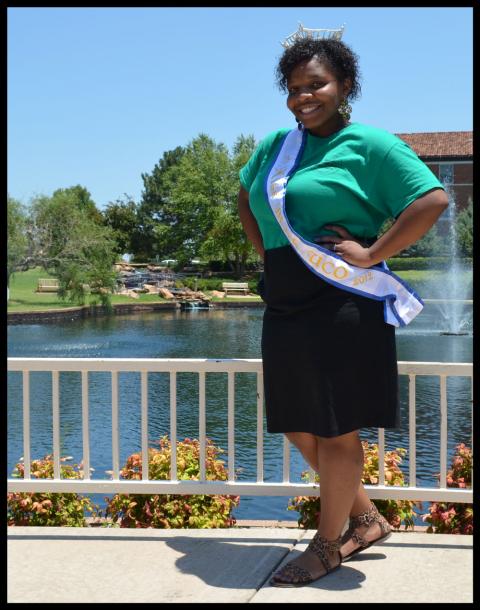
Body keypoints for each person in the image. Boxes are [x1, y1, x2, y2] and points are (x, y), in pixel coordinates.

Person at [237, 33, 448, 587]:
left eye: (317, 85)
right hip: (285, 300)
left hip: (342, 304)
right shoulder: (275, 147)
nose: (304, 97)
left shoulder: (371, 145)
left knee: (335, 429)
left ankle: (327, 545)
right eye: (294, 88)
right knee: (296, 421)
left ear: (345, 86)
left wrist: (375, 252)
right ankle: (366, 519)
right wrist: (270, 258)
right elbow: (246, 195)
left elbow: (432, 200)